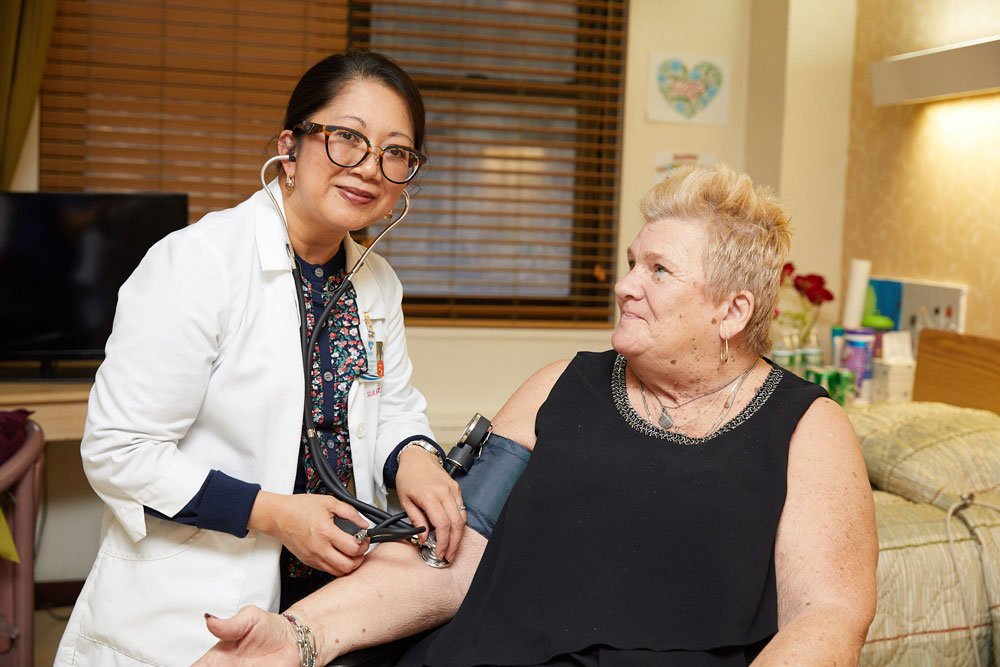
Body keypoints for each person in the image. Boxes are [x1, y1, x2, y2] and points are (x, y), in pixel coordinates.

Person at [195, 163, 879, 666]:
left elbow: (826, 620)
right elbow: (452, 554)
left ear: (732, 310)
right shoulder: (560, 386)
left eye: (658, 271)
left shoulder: (808, 428)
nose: (625, 284)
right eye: (630, 262)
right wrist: (300, 634)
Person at [55, 52, 467, 666]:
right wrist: (274, 514)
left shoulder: (375, 282)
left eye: (396, 152)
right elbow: (121, 451)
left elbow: (392, 406)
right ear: (290, 145)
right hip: (189, 611)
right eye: (347, 138)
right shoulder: (199, 262)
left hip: (327, 604)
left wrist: (417, 460)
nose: (370, 168)